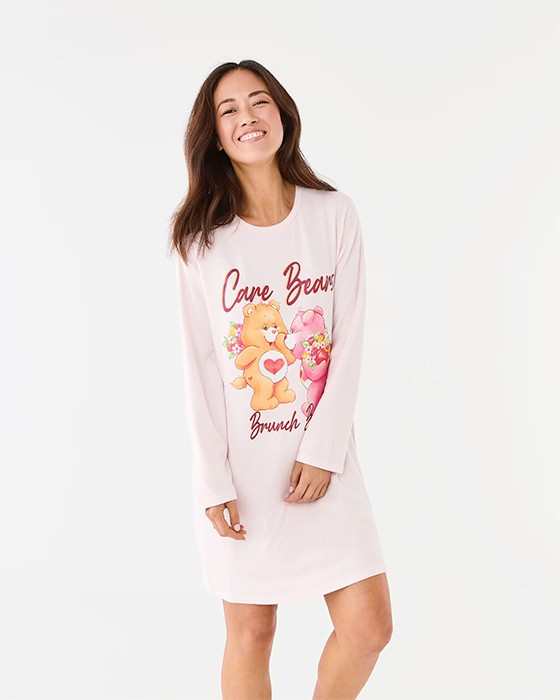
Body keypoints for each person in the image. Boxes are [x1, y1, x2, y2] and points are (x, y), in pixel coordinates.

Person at [169, 59, 393, 700]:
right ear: (215, 135)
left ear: (283, 115)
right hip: (241, 472)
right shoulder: (201, 241)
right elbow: (200, 367)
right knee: (251, 633)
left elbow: (349, 341)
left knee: (368, 627)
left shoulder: (333, 215)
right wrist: (212, 478)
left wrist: (323, 450)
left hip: (325, 462)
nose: (247, 118)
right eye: (229, 110)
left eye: (259, 101)